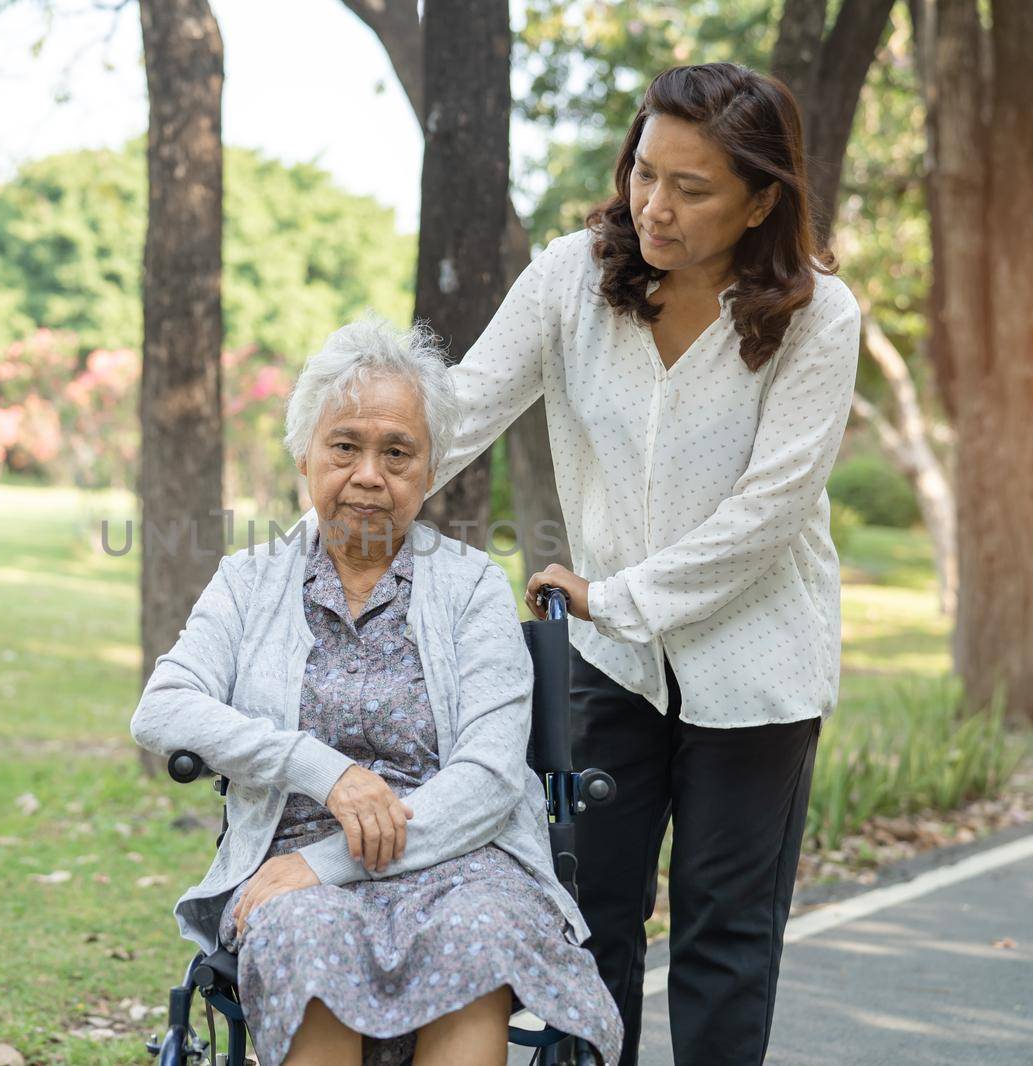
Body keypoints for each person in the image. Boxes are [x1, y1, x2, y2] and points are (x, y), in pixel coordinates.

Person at [429, 63, 861, 1065]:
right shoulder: (570, 279)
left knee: (725, 938)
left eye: (692, 187)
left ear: (762, 200)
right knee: (588, 927)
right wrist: (361, 456)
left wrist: (614, 596)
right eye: (643, 173)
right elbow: (464, 405)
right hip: (612, 668)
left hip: (757, 671)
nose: (654, 206)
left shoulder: (817, 317)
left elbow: (766, 514)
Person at [131, 318, 621, 1066]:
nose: (369, 474)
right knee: (304, 931)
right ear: (306, 457)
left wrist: (331, 862)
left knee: (479, 931)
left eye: (398, 453)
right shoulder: (249, 581)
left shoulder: (471, 588)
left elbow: (489, 779)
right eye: (345, 446)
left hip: (460, 853)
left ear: (428, 472)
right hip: (289, 854)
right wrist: (324, 773)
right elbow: (162, 709)